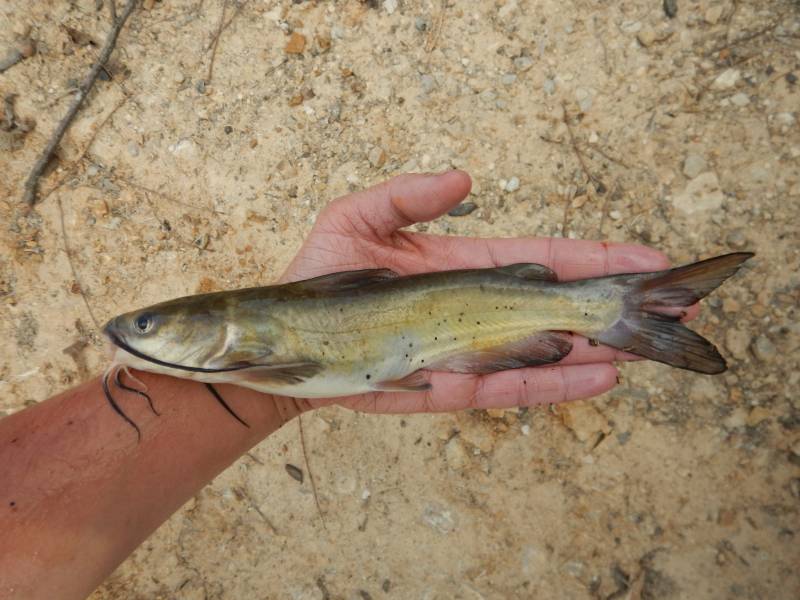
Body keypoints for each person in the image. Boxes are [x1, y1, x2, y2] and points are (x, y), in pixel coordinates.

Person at [0, 171, 694, 599]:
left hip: (447, 320)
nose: (133, 332)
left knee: (585, 313)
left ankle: (619, 307)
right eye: (145, 326)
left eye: (149, 325)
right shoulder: (241, 350)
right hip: (409, 334)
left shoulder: (248, 343)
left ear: (217, 326)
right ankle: (621, 309)